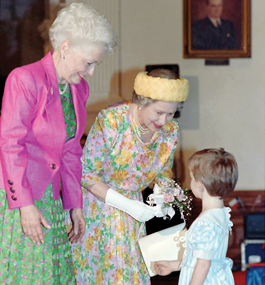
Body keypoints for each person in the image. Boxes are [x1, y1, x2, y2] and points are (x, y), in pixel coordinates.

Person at [0, 3, 117, 284]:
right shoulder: (24, 79)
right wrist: (25, 206)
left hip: (51, 202)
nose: (90, 72)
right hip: (20, 201)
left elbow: (70, 150)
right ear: (65, 47)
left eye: (95, 65)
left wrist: (75, 204)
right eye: (88, 62)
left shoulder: (77, 88)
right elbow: (9, 144)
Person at [70, 68, 189, 284]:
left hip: (135, 215)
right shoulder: (112, 121)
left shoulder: (170, 132)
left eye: (170, 114)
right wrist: (126, 205)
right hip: (98, 210)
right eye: (158, 112)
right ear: (142, 101)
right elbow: (85, 173)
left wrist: (164, 198)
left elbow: (163, 174)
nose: (163, 120)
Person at [154, 148, 238, 285]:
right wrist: (174, 265)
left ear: (200, 185)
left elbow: (203, 265)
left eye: (192, 178)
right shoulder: (220, 214)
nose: (191, 182)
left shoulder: (206, 222)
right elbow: (203, 258)